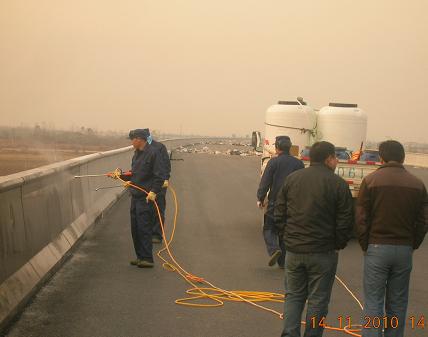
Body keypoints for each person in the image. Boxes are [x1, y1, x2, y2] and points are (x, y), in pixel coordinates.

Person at [274, 141, 354, 337]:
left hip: (294, 250)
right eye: (335, 157)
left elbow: (279, 212)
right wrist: (338, 244)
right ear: (328, 159)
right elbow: (346, 220)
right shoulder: (338, 184)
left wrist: (286, 237)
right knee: (318, 300)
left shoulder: (293, 179)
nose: (336, 161)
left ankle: (290, 333)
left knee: (293, 296)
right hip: (323, 252)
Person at [356, 140, 428, 337]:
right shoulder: (417, 184)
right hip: (404, 248)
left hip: (377, 247)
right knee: (398, 301)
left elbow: (361, 218)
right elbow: (423, 221)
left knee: (373, 301)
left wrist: (365, 244)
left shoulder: (371, 181)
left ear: (381, 157)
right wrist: (413, 244)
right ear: (403, 157)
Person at [112, 128, 164, 268]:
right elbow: (134, 174)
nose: (131, 142)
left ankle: (147, 258)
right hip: (135, 195)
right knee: (135, 229)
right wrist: (120, 176)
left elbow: (160, 175)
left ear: (140, 139)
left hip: (146, 198)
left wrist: (153, 191)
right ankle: (140, 256)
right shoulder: (136, 155)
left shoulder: (154, 154)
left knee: (144, 228)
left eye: (132, 139)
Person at [257, 136, 304, 268]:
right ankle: (282, 263)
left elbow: (265, 182)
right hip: (293, 203)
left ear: (277, 148)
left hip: (275, 201)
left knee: (269, 228)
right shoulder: (299, 164)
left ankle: (274, 249)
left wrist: (260, 198)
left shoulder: (273, 162)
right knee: (284, 231)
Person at [146, 129, 171, 244]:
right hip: (145, 183)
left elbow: (166, 164)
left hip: (159, 182)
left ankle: (156, 234)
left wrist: (165, 178)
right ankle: (147, 232)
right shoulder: (140, 150)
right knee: (146, 209)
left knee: (158, 208)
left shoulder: (159, 147)